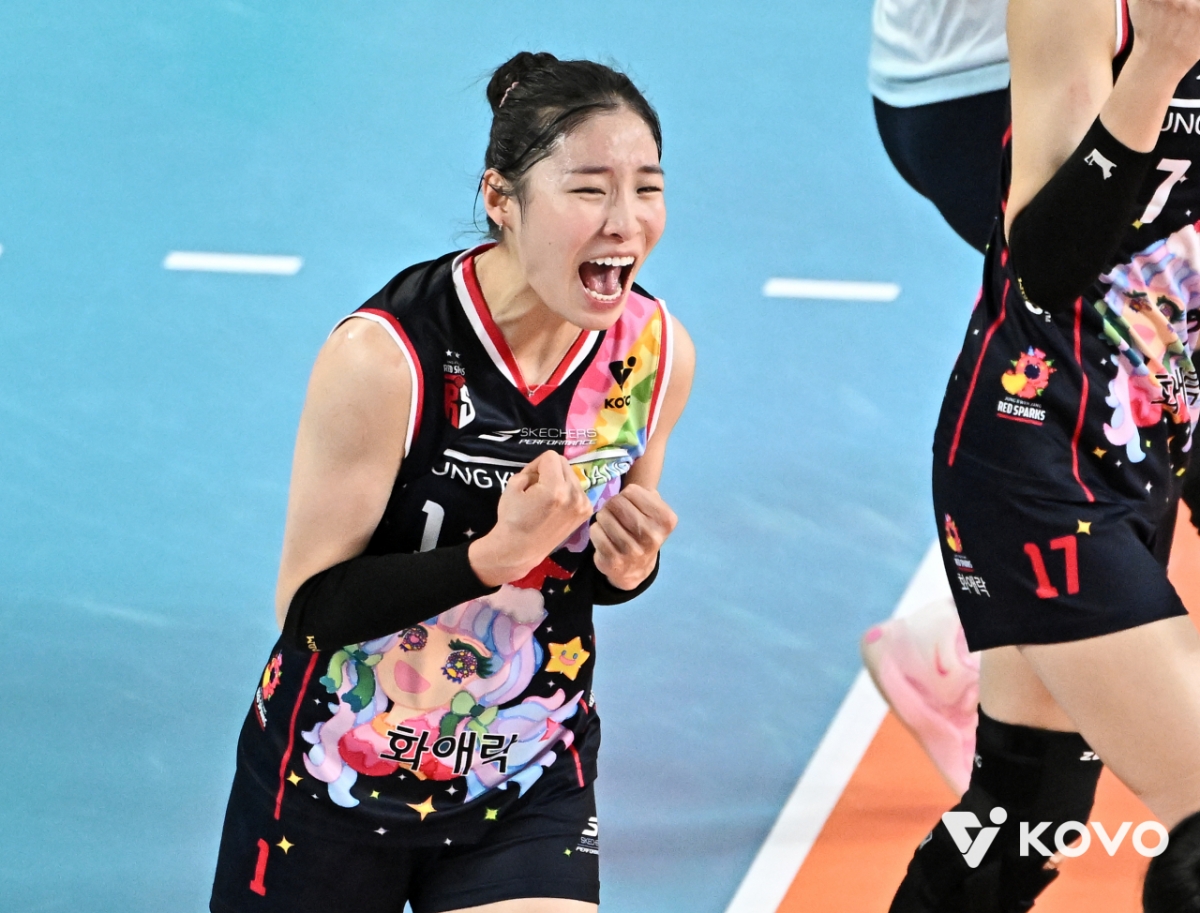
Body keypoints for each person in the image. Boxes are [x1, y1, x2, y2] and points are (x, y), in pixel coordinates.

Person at [209, 51, 695, 913]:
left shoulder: (651, 353)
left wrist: (628, 566)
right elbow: (311, 608)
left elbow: (588, 571)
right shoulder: (385, 356)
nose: (626, 222)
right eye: (589, 190)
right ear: (500, 198)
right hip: (333, 775)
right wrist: (490, 558)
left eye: (647, 188)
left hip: (522, 777)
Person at [887, 0, 1200, 908]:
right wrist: (1160, 63)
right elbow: (1046, 263)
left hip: (1144, 451)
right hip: (1034, 454)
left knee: (1023, 813)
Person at [863, 0, 1011, 797]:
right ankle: (965, 646)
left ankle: (966, 642)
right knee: (1136, 373)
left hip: (968, 77)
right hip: (993, 87)